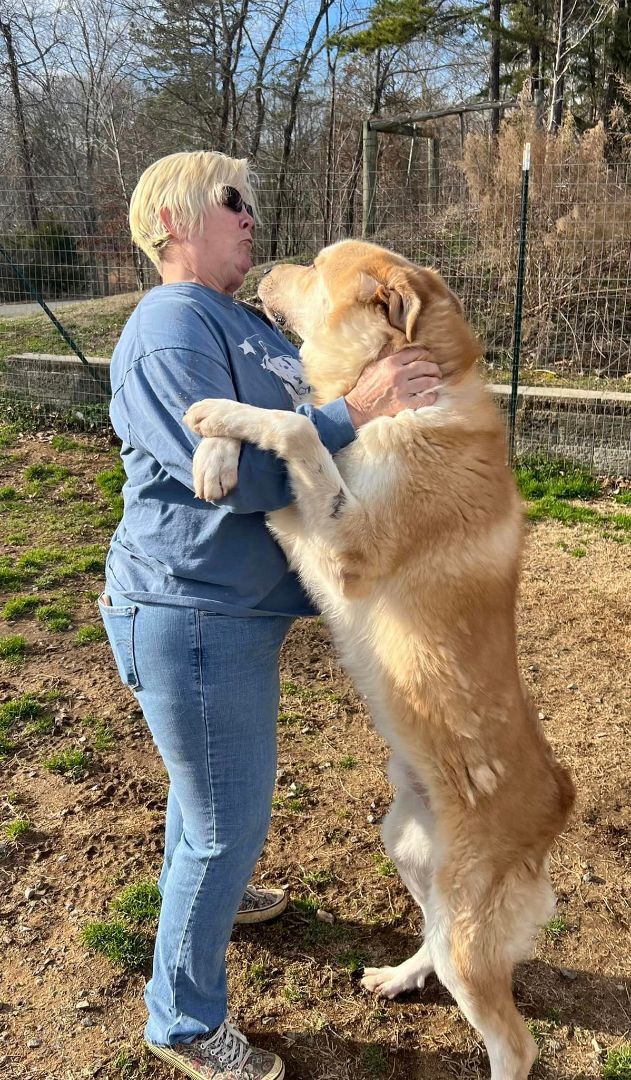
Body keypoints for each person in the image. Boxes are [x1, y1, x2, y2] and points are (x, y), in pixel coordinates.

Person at [99, 150, 441, 1080]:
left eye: (253, 198)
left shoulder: (239, 321)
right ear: (173, 221)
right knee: (225, 821)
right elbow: (248, 478)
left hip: (240, 610)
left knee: (208, 796)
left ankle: (212, 893)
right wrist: (352, 413)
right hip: (190, 609)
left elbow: (300, 443)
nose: (253, 213)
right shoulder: (171, 323)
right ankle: (182, 1022)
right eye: (232, 200)